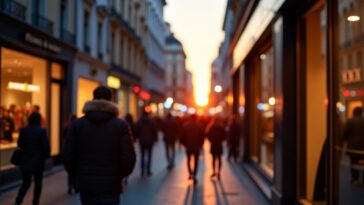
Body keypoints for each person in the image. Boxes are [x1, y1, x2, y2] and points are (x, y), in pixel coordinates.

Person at [62, 86, 136, 205]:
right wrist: (118, 175)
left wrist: (78, 175)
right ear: (111, 100)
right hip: (111, 185)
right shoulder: (120, 125)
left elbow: (67, 155)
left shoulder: (78, 125)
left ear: (93, 99)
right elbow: (129, 157)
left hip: (87, 185)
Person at [14, 112, 50, 205]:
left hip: (25, 160)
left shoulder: (23, 130)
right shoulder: (41, 131)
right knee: (38, 183)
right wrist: (45, 156)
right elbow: (45, 147)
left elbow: (19, 144)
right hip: (38, 161)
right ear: (39, 120)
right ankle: (35, 201)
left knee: (26, 183)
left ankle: (18, 200)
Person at [342, 106, 364, 185]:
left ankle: (355, 179)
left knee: (354, 163)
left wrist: (346, 140)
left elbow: (345, 133)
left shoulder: (350, 121)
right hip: (363, 148)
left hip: (353, 147)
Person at [180, 114, 204, 184]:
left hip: (188, 146)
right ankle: (194, 175)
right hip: (196, 147)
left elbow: (182, 136)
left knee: (188, 160)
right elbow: (202, 137)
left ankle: (190, 173)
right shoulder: (200, 126)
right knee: (196, 161)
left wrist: (184, 144)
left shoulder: (185, 125)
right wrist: (200, 145)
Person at [135, 111, 158, 177]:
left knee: (142, 156)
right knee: (149, 156)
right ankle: (148, 170)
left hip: (142, 141)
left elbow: (137, 131)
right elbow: (154, 131)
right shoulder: (151, 121)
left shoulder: (139, 122)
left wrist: (136, 138)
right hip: (150, 141)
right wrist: (155, 139)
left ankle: (142, 170)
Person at [61, 114, 78, 194]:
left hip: (68, 148)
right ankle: (75, 186)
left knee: (70, 170)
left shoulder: (66, 125)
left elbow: (63, 135)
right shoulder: (78, 126)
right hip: (76, 149)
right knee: (75, 169)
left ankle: (70, 186)